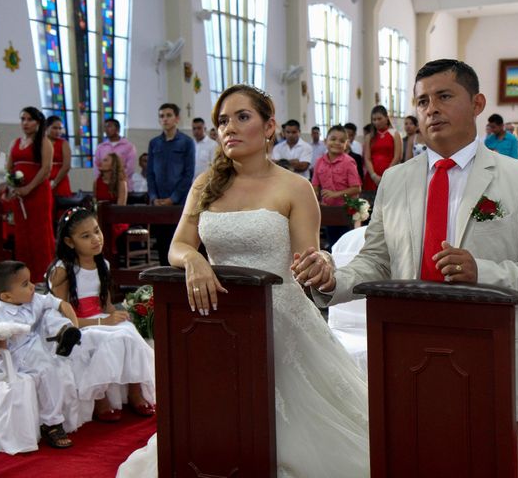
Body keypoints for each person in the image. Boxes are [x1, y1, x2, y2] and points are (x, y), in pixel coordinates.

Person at [294, 59, 518, 478]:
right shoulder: (396, 180)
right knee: (418, 456)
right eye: (422, 101)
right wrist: (334, 279)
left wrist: (483, 271)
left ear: (477, 103)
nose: (431, 109)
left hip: (488, 347)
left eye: (444, 96)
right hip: (408, 347)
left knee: (491, 459)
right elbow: (376, 261)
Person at [117, 84, 369, 477]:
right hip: (217, 318)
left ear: (269, 127)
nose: (229, 128)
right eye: (222, 121)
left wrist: (319, 263)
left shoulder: (295, 187)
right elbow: (179, 245)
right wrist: (195, 261)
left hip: (280, 318)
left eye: (242, 117)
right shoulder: (205, 185)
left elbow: (307, 257)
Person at [47, 207, 155, 422]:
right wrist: (102, 321)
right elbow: (60, 317)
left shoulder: (102, 264)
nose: (96, 239)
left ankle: (135, 390)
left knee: (130, 334)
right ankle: (99, 397)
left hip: (100, 319)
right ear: (70, 242)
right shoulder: (63, 270)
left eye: (97, 231)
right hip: (77, 326)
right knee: (109, 338)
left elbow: (106, 306)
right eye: (86, 236)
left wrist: (123, 315)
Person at [0, 260, 83, 448]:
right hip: (15, 356)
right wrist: (1, 337)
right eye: (25, 284)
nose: (33, 286)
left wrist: (74, 325)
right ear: (7, 296)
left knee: (51, 312)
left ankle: (65, 332)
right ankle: (52, 424)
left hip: (36, 344)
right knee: (49, 370)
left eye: (30, 281)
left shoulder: (33, 299)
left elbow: (62, 304)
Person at [6, 106, 56, 282]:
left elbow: (46, 169)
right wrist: (11, 184)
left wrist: (29, 188)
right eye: (22, 119)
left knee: (39, 232)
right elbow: (9, 167)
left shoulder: (44, 142)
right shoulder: (15, 142)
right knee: (22, 232)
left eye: (29, 119)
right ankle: (25, 275)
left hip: (38, 193)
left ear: (38, 122)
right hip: (19, 195)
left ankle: (44, 273)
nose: (25, 123)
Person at [147, 103, 195, 266]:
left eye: (168, 115)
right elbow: (150, 174)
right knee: (161, 245)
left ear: (176, 118)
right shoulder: (154, 143)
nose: (165, 119)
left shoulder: (186, 142)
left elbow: (188, 175)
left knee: (178, 244)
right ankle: (163, 284)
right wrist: (154, 197)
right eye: (161, 116)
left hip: (179, 203)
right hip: (158, 203)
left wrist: (173, 199)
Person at [311, 125, 362, 248]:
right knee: (332, 243)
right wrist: (316, 202)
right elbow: (315, 186)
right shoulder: (319, 162)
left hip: (346, 211)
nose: (337, 143)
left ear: (346, 144)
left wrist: (336, 194)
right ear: (325, 141)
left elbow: (356, 188)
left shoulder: (348, 162)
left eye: (342, 141)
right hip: (328, 210)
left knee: (345, 244)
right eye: (333, 139)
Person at [362, 105, 402, 194]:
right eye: (374, 119)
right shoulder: (369, 136)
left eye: (379, 119)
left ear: (387, 118)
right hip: (373, 176)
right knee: (372, 205)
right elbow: (367, 158)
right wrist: (373, 175)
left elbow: (397, 156)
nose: (376, 122)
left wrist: (387, 175)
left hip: (391, 174)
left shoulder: (394, 134)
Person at [94, 152, 129, 254]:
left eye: (105, 160)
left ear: (113, 164)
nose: (101, 162)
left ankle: (110, 256)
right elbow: (95, 203)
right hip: (100, 217)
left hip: (117, 219)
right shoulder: (97, 182)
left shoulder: (121, 182)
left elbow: (121, 207)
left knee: (110, 228)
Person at [93, 118, 137, 189]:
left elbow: (130, 167)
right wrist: (103, 179)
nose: (106, 129)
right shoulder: (101, 147)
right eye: (105, 127)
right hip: (105, 184)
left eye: (109, 126)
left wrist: (116, 179)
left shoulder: (129, 146)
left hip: (123, 184)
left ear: (117, 129)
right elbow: (97, 165)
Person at [46, 116, 72, 198]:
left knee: (61, 205)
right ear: (46, 127)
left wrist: (55, 182)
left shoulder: (63, 143)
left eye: (60, 128)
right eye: (54, 128)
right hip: (43, 178)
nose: (58, 131)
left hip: (60, 179)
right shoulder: (41, 143)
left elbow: (66, 166)